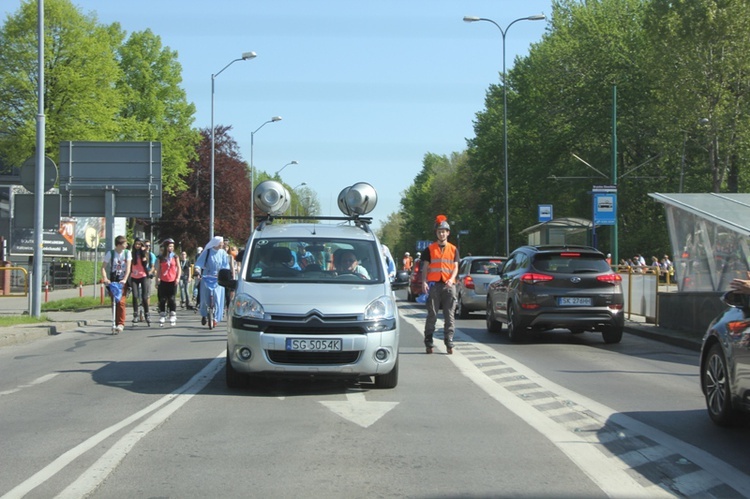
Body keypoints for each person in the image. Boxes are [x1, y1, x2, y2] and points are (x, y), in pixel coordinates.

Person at [421, 214, 460, 354]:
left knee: (450, 315)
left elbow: (455, 267)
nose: (442, 233)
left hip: (449, 286)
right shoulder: (430, 249)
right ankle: (429, 340)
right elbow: (425, 267)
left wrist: (451, 279)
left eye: (444, 231)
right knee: (432, 314)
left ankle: (449, 340)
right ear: (436, 233)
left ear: (448, 233)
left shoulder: (453, 249)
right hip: (434, 285)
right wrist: (424, 282)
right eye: (439, 231)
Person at [194, 236, 231, 327]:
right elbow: (199, 263)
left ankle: (216, 318)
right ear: (216, 243)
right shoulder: (207, 252)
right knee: (204, 298)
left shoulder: (223, 253)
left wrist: (224, 274)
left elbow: (225, 265)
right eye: (221, 243)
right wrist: (197, 271)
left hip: (218, 277)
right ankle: (204, 314)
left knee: (218, 298)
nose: (222, 245)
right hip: (207, 276)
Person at [101, 235, 132, 334]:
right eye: (124, 244)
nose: (126, 245)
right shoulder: (111, 253)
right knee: (114, 302)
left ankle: (121, 323)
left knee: (121, 302)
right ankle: (115, 321)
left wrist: (125, 279)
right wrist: (105, 278)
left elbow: (128, 268)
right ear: (119, 245)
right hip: (113, 279)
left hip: (122, 279)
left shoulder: (127, 253)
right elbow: (103, 268)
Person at [156, 238, 181, 326]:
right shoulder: (161, 257)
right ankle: (162, 314)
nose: (171, 248)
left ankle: (173, 313)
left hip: (172, 280)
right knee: (162, 299)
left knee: (171, 299)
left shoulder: (175, 256)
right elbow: (159, 269)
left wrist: (178, 278)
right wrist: (157, 280)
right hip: (163, 280)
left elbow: (179, 268)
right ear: (166, 247)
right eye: (170, 246)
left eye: (172, 246)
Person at [129, 238, 153, 325]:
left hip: (143, 276)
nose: (137, 246)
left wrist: (143, 253)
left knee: (144, 297)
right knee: (135, 296)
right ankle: (135, 315)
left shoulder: (145, 253)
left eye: (139, 244)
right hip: (134, 276)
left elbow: (146, 264)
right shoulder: (132, 253)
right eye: (136, 244)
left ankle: (147, 314)